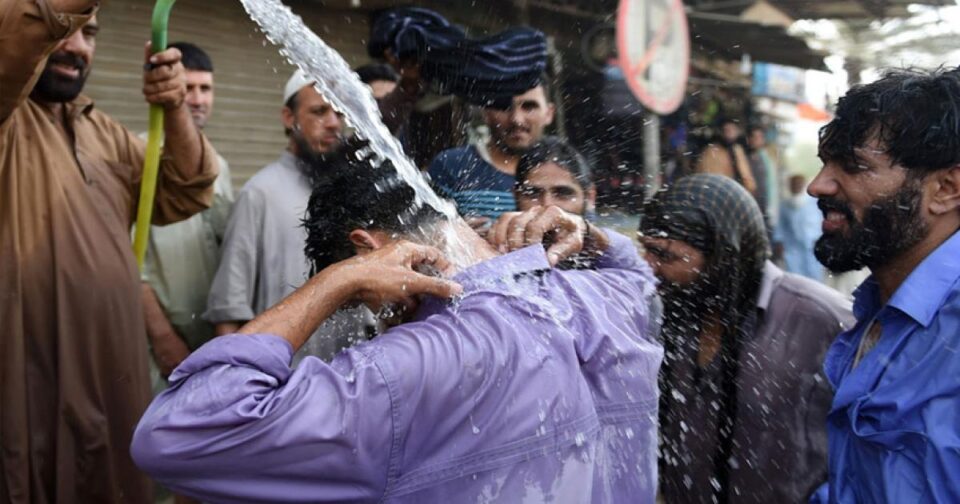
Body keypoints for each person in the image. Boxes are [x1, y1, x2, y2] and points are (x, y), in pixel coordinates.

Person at [131, 140, 662, 503]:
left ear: (369, 248)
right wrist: (592, 236)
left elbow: (176, 433)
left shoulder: (401, 374)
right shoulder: (603, 298)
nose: (382, 324)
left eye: (370, 303)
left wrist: (336, 282)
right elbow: (642, 278)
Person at [0, 1, 218, 501]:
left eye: (91, 35)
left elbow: (186, 187)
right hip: (28, 372)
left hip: (110, 374)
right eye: (67, 32)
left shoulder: (103, 131)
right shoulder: (8, 117)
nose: (77, 47)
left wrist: (175, 107)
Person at [638, 174, 853, 504]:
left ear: (723, 256)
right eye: (646, 251)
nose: (648, 267)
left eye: (664, 255)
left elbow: (877, 440)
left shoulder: (821, 319)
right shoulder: (672, 311)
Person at [808, 68, 960, 503]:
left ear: (946, 189)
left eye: (854, 166)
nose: (818, 185)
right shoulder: (881, 307)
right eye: (825, 163)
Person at [205, 70, 373, 361]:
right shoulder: (259, 194)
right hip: (283, 387)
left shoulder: (356, 194)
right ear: (288, 117)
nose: (333, 123)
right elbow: (228, 312)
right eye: (319, 111)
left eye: (338, 112)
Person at [141, 41, 235, 379]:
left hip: (208, 342)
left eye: (205, 89)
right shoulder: (140, 156)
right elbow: (126, 262)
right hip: (157, 348)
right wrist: (163, 336)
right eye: (187, 88)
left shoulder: (219, 166)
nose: (196, 99)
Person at [428, 82, 555, 227]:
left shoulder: (566, 168)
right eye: (504, 106)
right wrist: (458, 235)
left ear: (549, 113)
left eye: (529, 106)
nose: (516, 119)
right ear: (485, 112)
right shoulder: (452, 165)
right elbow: (424, 229)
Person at [513, 136, 596, 217]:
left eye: (563, 193)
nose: (547, 205)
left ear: (589, 197)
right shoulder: (501, 228)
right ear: (516, 197)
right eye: (533, 193)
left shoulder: (603, 231)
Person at [773, 174, 823, 282]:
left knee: (814, 278)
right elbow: (781, 225)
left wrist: (821, 238)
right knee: (795, 278)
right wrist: (779, 241)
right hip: (792, 248)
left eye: (799, 184)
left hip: (812, 245)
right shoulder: (785, 205)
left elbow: (821, 221)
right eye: (793, 185)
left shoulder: (814, 203)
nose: (796, 186)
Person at [695, 118, 757, 196]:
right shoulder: (711, 151)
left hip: (735, 194)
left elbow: (746, 176)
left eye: (732, 130)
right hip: (718, 195)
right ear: (721, 132)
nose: (729, 134)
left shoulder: (737, 150)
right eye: (727, 130)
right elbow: (707, 179)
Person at [746, 125, 780, 222]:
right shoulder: (744, 158)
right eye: (753, 136)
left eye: (759, 137)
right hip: (750, 206)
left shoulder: (768, 158)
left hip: (766, 206)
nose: (756, 140)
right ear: (749, 139)